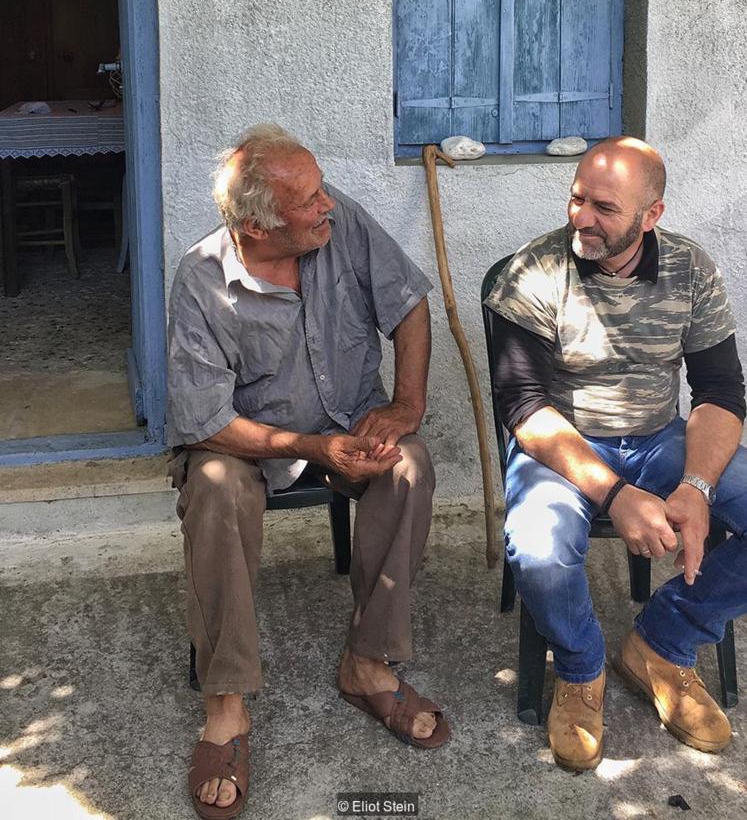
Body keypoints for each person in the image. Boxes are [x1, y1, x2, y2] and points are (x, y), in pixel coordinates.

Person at [167, 124, 449, 818]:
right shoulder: (201, 280)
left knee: (408, 465)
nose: (327, 205)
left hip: (349, 417)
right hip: (244, 442)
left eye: (322, 190)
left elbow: (409, 304)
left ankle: (367, 663)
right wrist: (311, 447)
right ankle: (226, 705)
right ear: (259, 224)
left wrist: (404, 406)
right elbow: (206, 421)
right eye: (309, 200)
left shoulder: (339, 222)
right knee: (212, 489)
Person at [484, 136, 746, 772]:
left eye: (603, 207)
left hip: (661, 437)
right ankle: (579, 669)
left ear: (650, 215)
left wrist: (697, 488)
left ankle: (665, 643)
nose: (581, 218)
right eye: (576, 199)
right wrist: (616, 494)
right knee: (540, 548)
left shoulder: (690, 269)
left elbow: (719, 393)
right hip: (563, 444)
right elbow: (524, 408)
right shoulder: (535, 271)